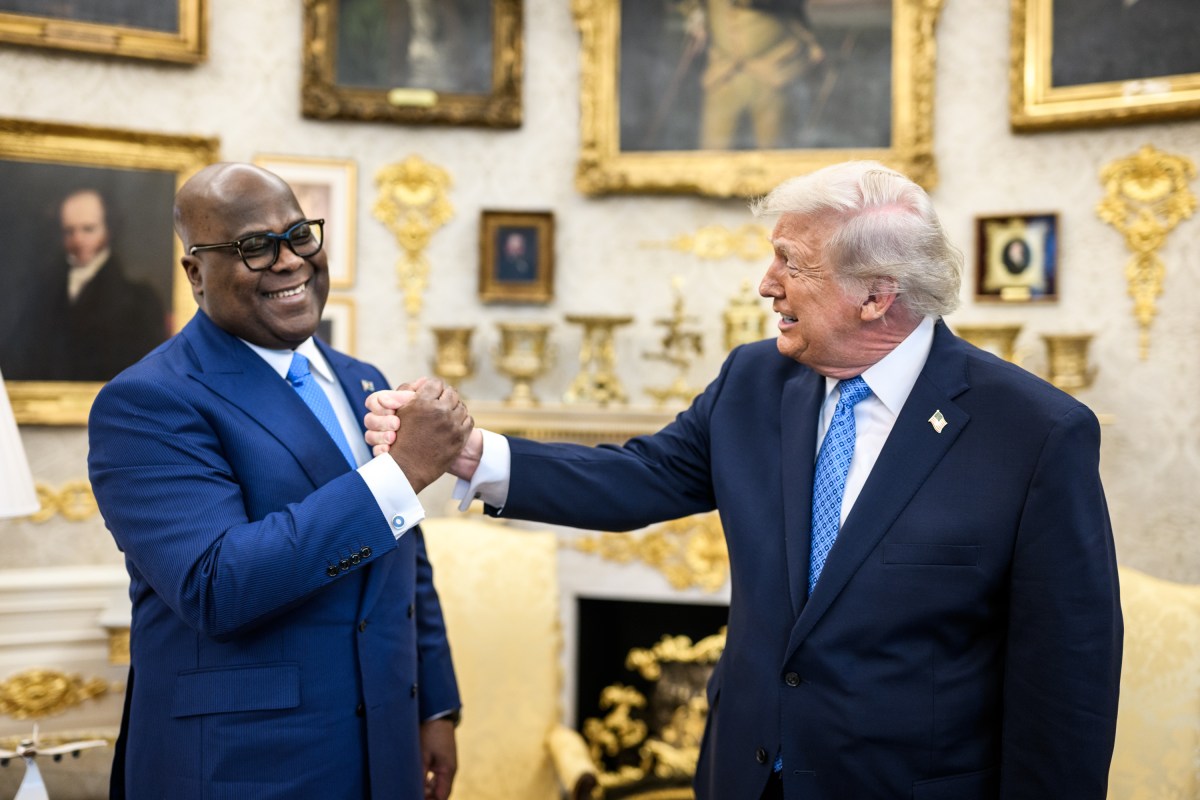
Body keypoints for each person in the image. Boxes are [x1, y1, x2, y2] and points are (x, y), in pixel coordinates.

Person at [366, 161, 1123, 798]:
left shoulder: (1033, 433)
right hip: (746, 775)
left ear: (876, 293)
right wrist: (468, 454)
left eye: (792, 264)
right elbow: (640, 476)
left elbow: (1068, 679)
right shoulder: (756, 381)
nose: (767, 284)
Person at [88, 163, 468, 799]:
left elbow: (404, 558)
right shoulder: (147, 402)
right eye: (254, 247)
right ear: (194, 274)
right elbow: (217, 585)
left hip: (387, 746)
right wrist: (399, 476)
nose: (289, 261)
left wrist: (434, 705)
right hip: (240, 765)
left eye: (299, 235)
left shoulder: (362, 378)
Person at [7, 188, 167, 382]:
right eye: (69, 231)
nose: (78, 240)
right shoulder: (41, 291)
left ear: (108, 229)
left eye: (88, 229)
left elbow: (148, 371)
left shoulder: (139, 298)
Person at [687, 0, 825, 150]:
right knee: (713, 153)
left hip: (774, 73)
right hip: (722, 74)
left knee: (775, 152)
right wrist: (696, 16)